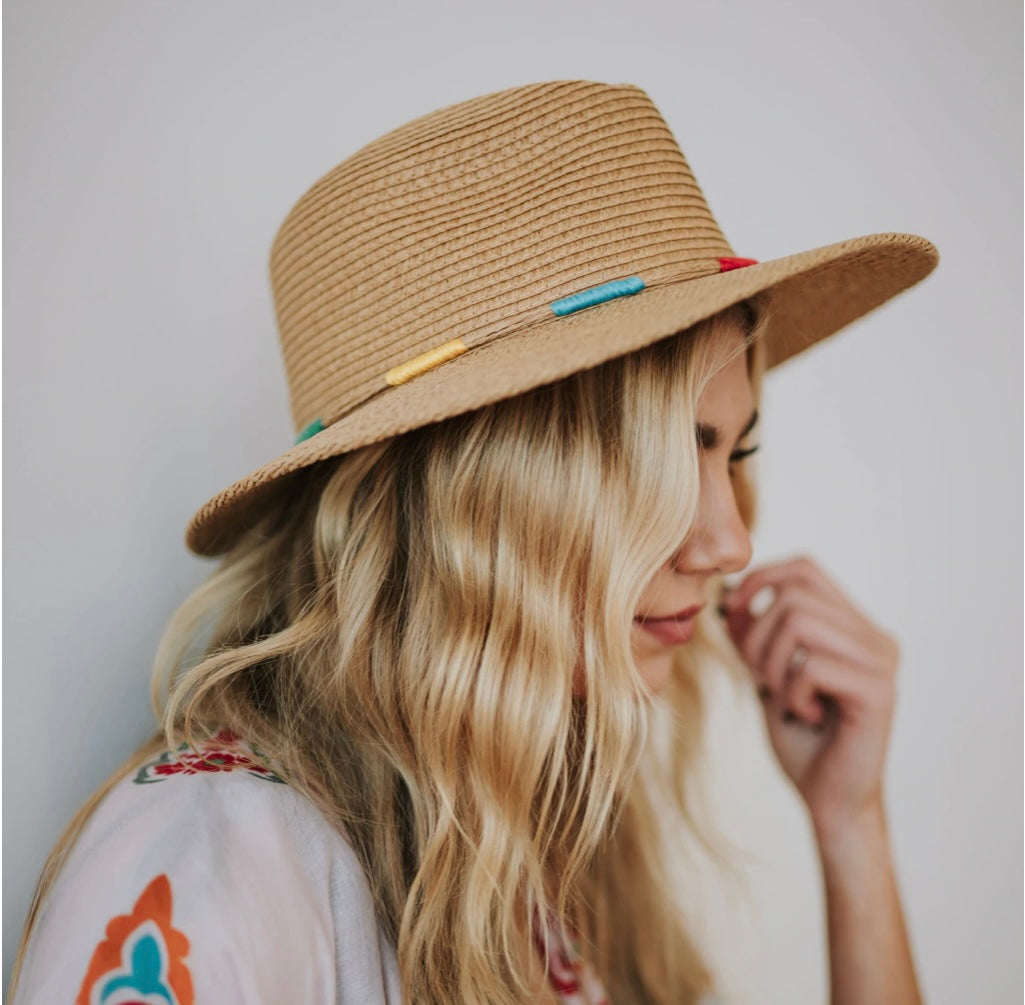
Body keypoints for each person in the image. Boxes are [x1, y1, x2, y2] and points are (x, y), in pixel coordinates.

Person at [9, 79, 938, 1005]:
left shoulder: (544, 846)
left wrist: (849, 825)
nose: (728, 540)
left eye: (734, 453)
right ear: (477, 496)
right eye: (665, 456)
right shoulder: (210, 868)